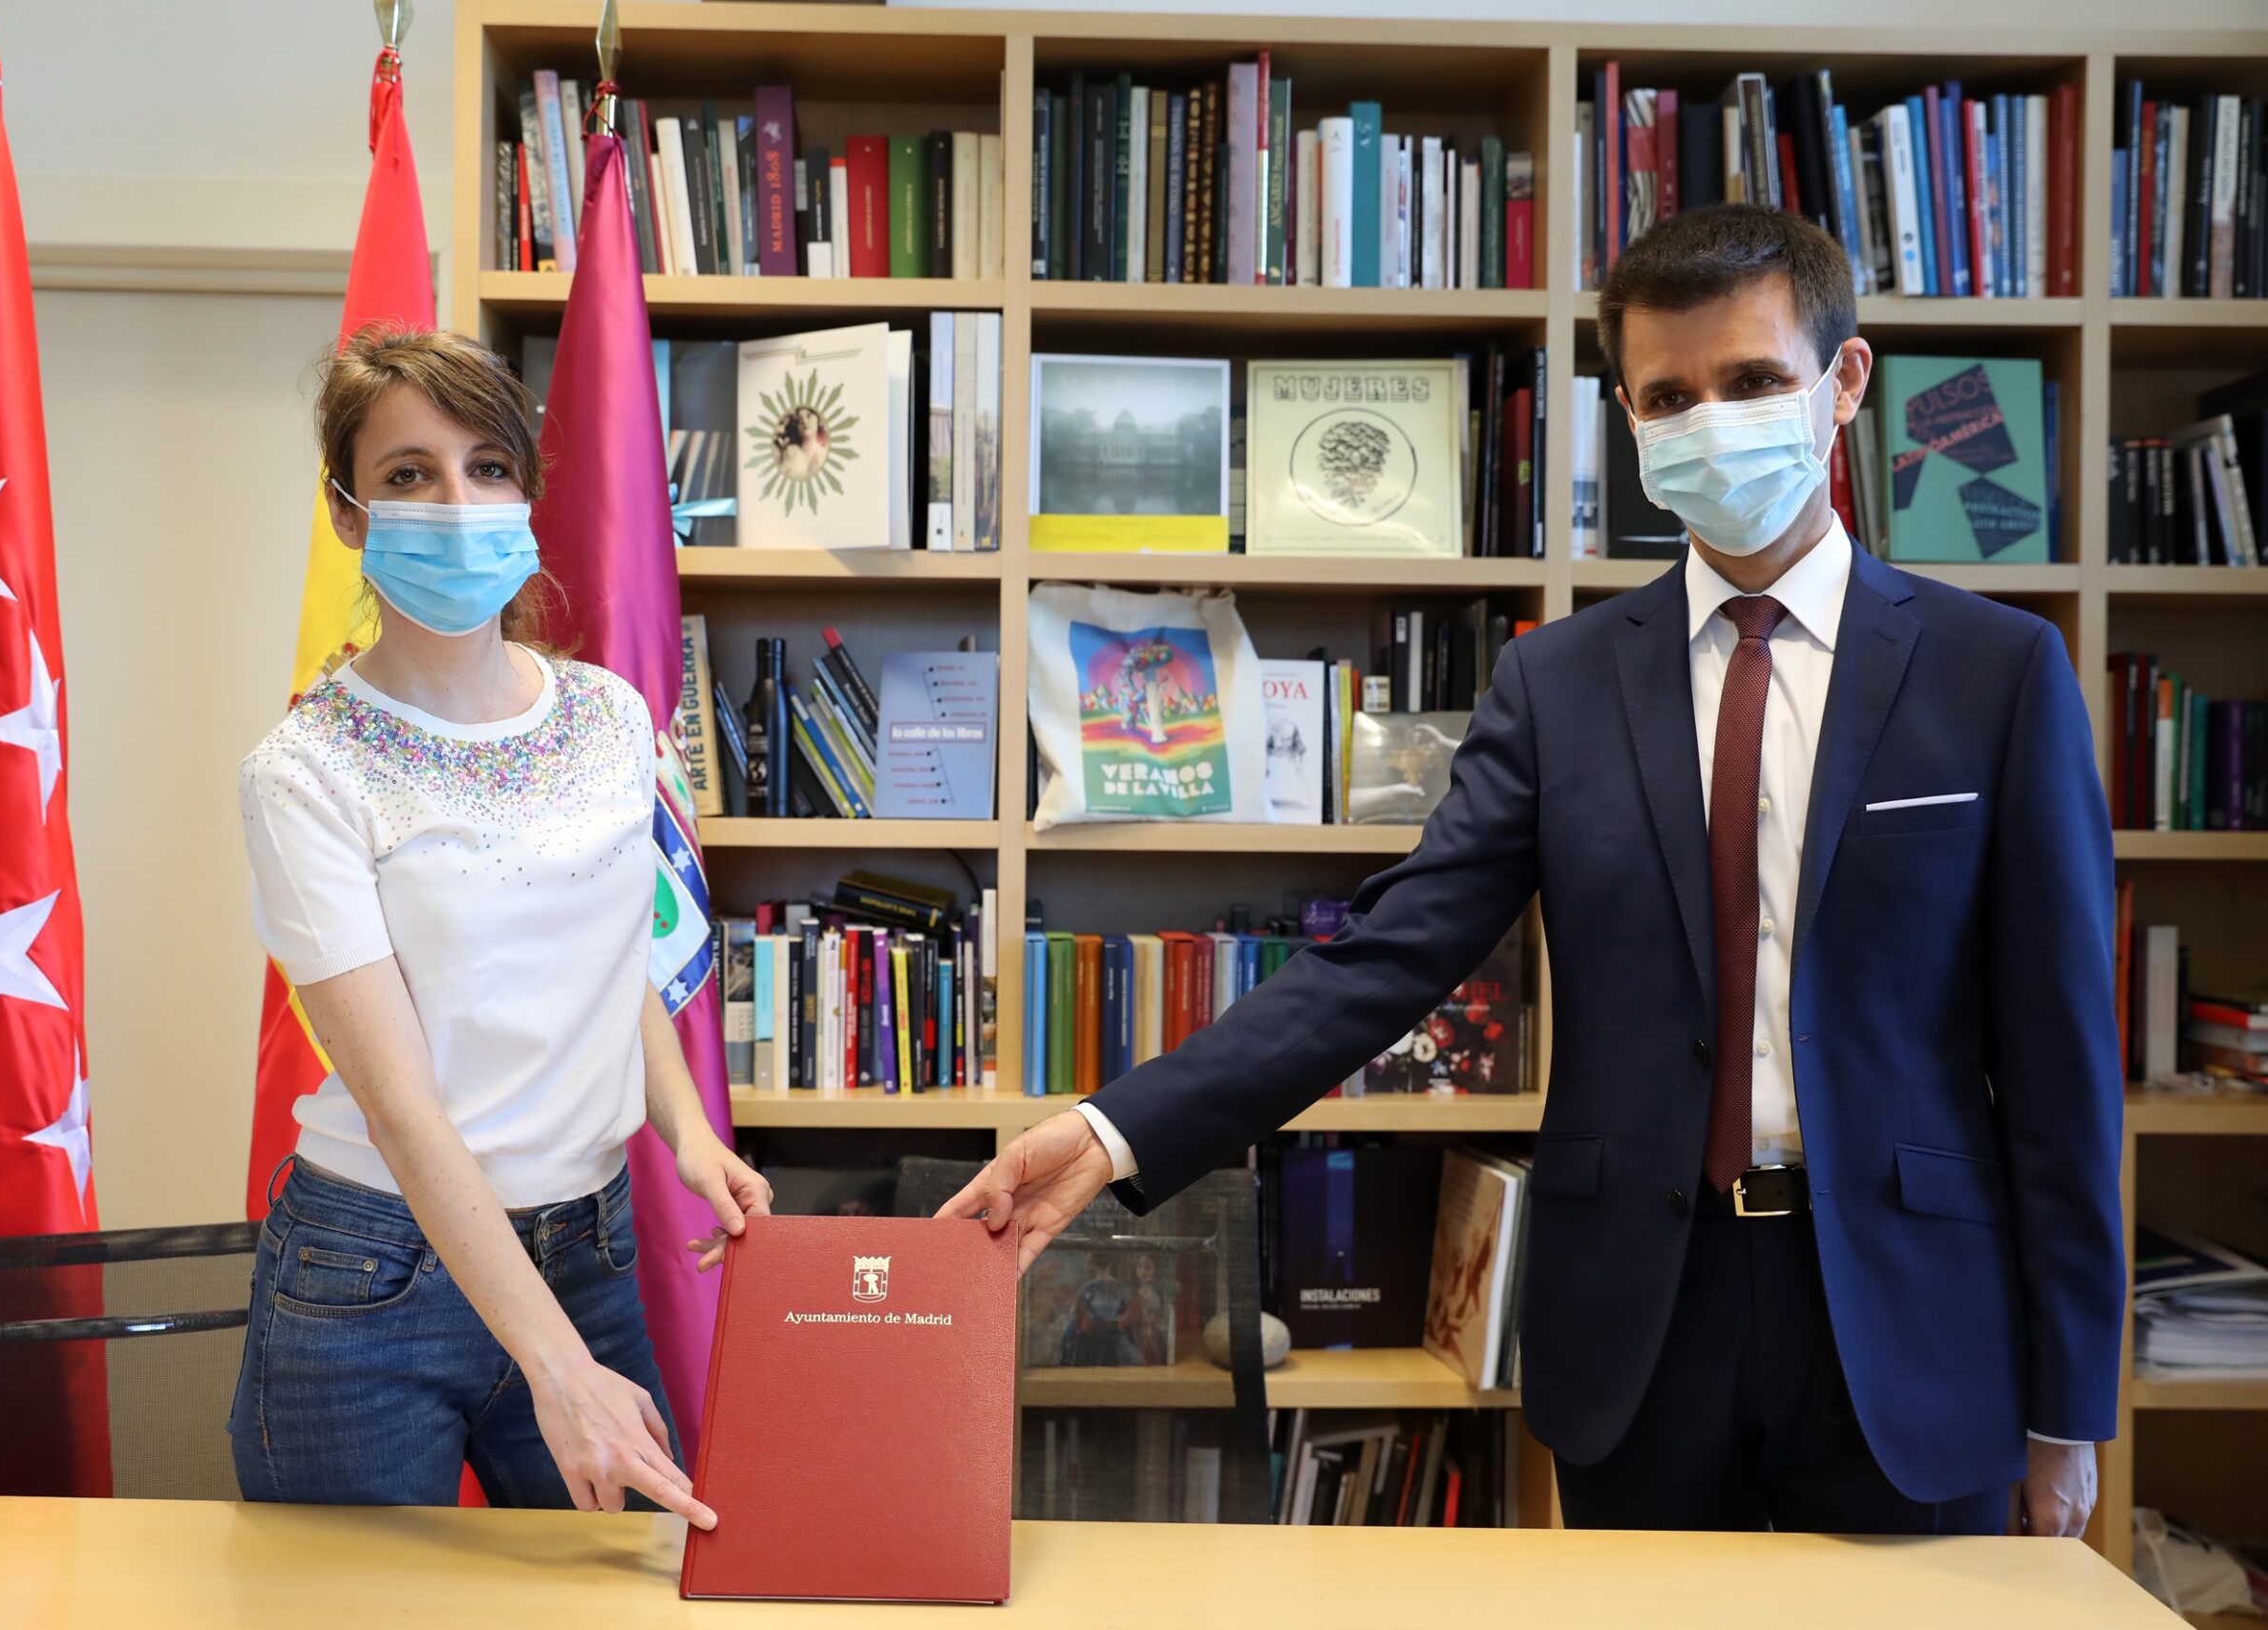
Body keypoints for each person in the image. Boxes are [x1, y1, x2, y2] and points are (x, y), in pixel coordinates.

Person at [946, 205, 2123, 1538]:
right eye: (1669, 397)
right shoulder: (1557, 684)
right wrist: (1114, 1130)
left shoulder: (1996, 674)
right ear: (1629, 417)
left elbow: (2061, 1065)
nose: (1711, 422)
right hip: (1643, 1323)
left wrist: (2068, 1401)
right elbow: (1387, 955)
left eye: (1753, 381)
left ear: (1842, 382)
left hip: (1913, 1323)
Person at [230, 326, 769, 1519]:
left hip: (588, 1247)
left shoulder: (609, 716)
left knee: (623, 1589)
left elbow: (613, 957)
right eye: (408, 474)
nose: (457, 504)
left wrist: (686, 1134)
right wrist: (558, 1370)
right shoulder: (304, 771)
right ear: (348, 513)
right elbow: (402, 1109)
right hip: (372, 1268)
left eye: (486, 467)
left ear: (526, 492)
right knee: (360, 1605)